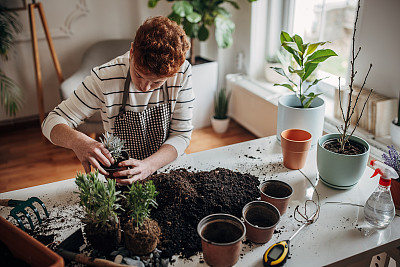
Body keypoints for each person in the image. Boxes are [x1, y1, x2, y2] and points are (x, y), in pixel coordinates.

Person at [42, 16, 194, 184]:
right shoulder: (104, 77)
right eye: (138, 74)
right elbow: (51, 121)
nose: (145, 87)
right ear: (131, 51)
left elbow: (181, 135)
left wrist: (149, 166)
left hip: (168, 170)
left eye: (157, 82)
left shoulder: (182, 72)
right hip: (123, 177)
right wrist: (78, 141)